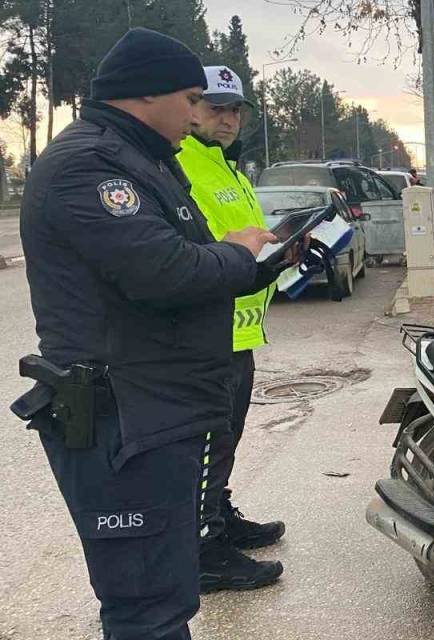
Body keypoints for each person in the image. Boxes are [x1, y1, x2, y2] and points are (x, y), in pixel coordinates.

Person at [17, 28, 286, 639]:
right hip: (122, 418)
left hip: (156, 409)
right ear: (146, 95)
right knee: (146, 607)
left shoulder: (140, 159)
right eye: (191, 99)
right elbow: (163, 270)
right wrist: (238, 255)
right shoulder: (90, 164)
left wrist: (251, 260)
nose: (196, 115)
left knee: (166, 593)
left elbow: (182, 261)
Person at [176, 65, 287, 593]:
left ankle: (218, 515)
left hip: (239, 332)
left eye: (235, 109)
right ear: (191, 108)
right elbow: (199, 257)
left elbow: (243, 249)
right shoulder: (184, 168)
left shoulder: (232, 170)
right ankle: (203, 548)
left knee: (227, 438)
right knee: (209, 443)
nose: (227, 119)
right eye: (215, 108)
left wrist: (282, 254)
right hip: (210, 335)